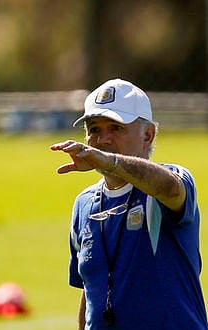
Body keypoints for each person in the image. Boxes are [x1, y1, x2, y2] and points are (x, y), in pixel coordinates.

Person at [50, 78, 207, 329]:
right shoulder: (84, 204)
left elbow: (170, 188)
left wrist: (110, 162)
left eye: (115, 128)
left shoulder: (169, 181)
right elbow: (91, 290)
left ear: (148, 135)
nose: (102, 140)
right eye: (94, 129)